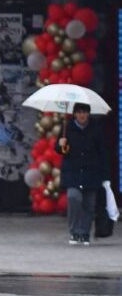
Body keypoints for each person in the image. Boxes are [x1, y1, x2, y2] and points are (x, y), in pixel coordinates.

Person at [59, 102, 107, 245]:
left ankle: (84, 233)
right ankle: (74, 231)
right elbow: (60, 151)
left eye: (84, 112)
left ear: (88, 114)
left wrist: (105, 175)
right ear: (74, 114)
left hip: (91, 172)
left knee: (89, 204)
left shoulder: (96, 129)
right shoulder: (67, 128)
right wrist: (60, 145)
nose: (82, 115)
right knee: (73, 198)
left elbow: (102, 152)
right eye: (79, 112)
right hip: (73, 172)